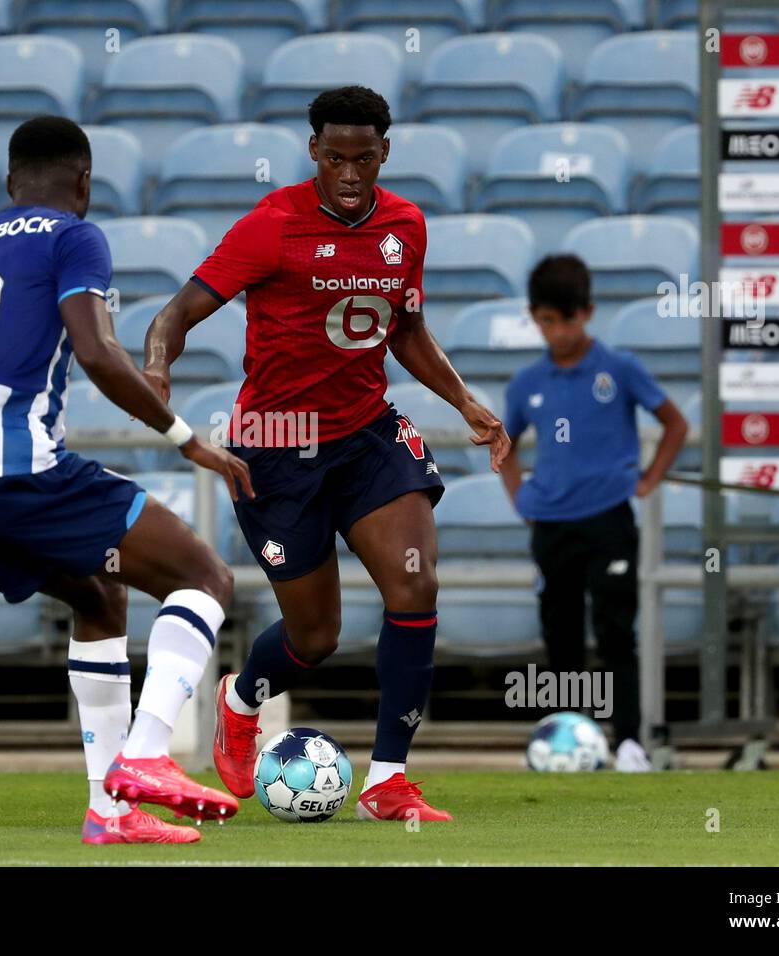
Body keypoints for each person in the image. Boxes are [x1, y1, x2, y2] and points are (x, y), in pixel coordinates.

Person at [0, 115, 255, 844]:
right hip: (25, 470)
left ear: (9, 184)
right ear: (84, 181)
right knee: (206, 578)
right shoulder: (75, 236)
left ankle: (110, 813)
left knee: (98, 596)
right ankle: (145, 758)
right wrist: (186, 441)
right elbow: (100, 354)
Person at [144, 86, 511, 821]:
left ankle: (387, 782)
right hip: (279, 447)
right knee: (315, 636)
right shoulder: (271, 225)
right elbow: (177, 312)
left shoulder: (406, 224)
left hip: (369, 435)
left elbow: (404, 329)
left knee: (416, 587)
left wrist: (462, 398)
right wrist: (157, 368)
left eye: (364, 158)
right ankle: (242, 696)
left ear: (385, 154)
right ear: (313, 151)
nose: (350, 172)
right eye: (336, 157)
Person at [498, 255, 689, 771]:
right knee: (560, 637)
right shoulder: (526, 382)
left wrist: (648, 481)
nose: (558, 332)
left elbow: (675, 424)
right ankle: (569, 738)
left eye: (568, 319)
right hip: (552, 525)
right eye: (547, 321)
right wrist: (521, 498)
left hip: (608, 521)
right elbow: (504, 444)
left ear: (588, 312)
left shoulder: (619, 369)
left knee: (614, 631)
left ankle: (628, 741)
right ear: (535, 318)